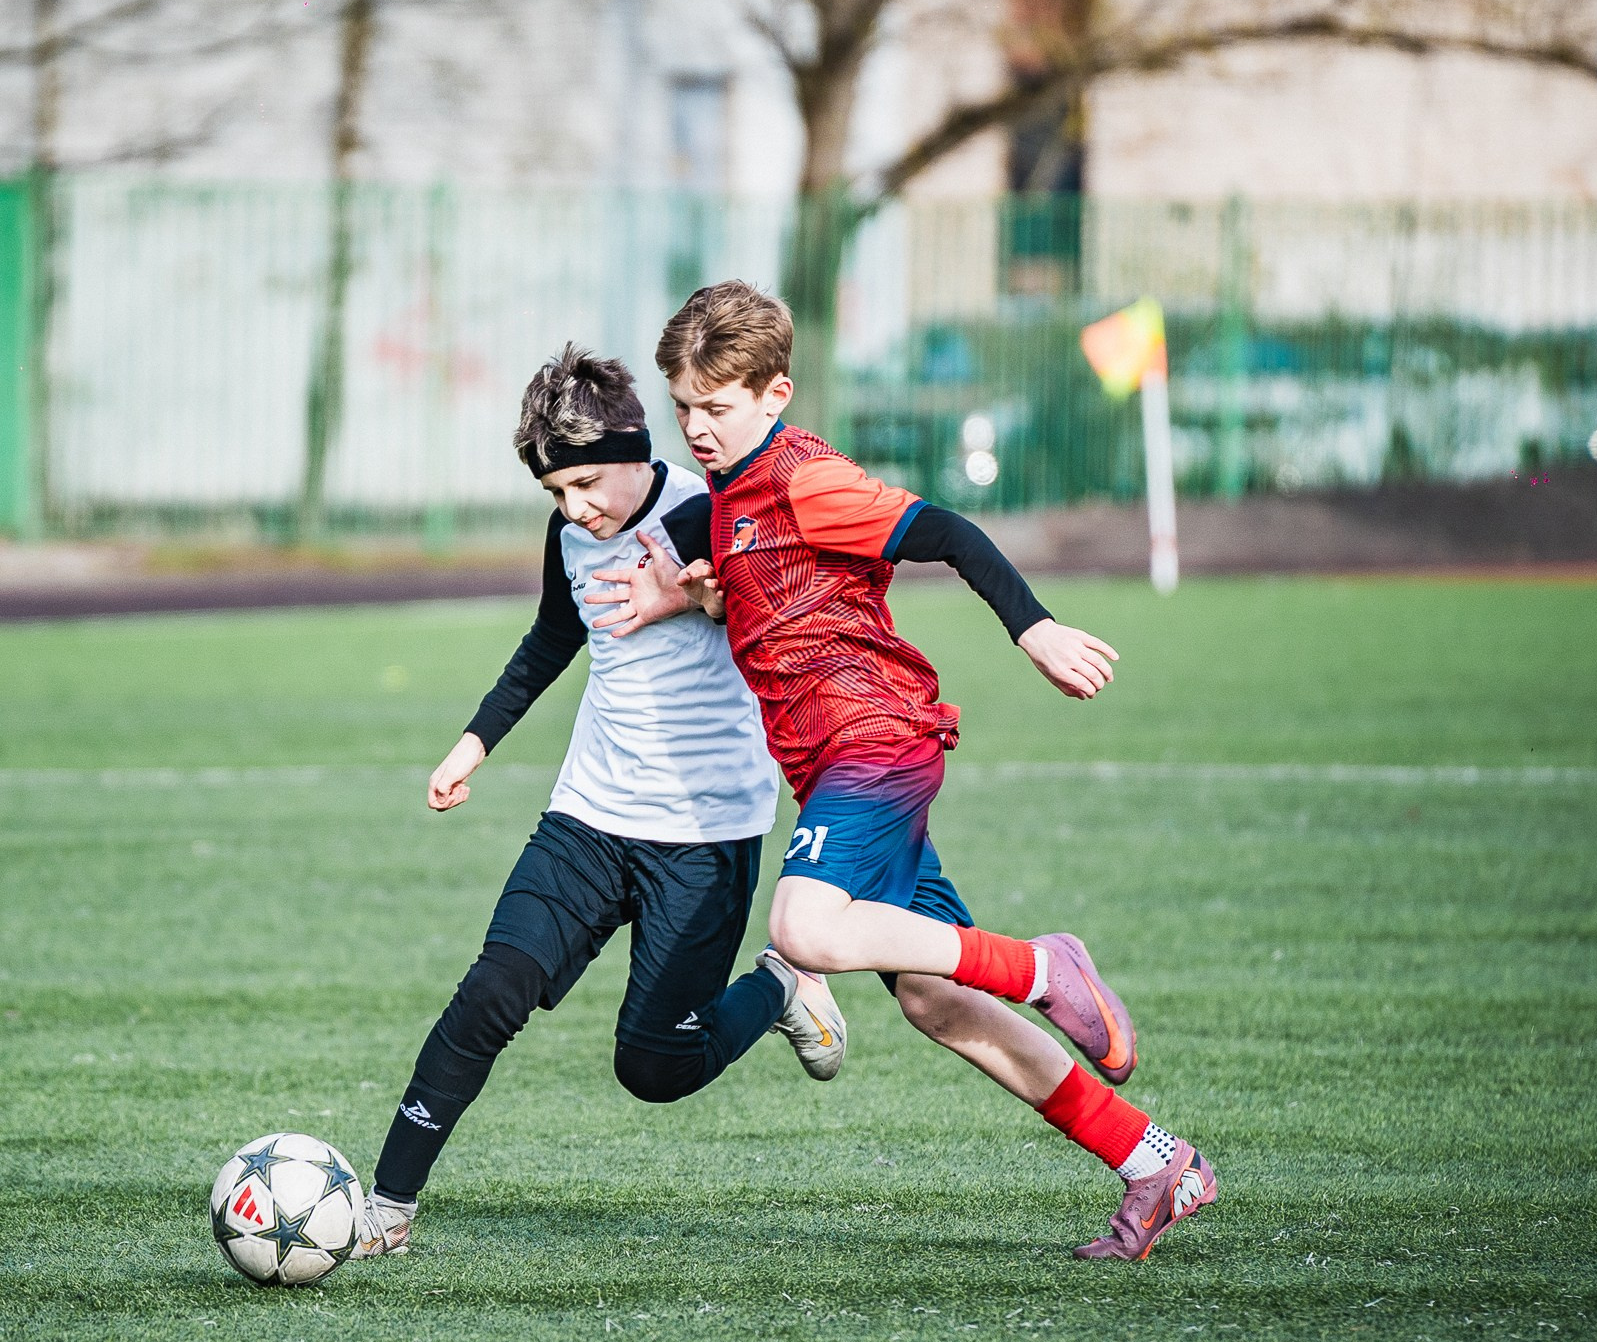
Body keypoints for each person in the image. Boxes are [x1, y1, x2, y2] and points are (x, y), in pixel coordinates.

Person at [611, 280, 1217, 1260]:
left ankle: (1045, 966)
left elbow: (949, 532)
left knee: (803, 928)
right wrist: (677, 594)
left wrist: (1035, 628)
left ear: (775, 394)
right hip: (834, 766)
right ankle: (1156, 1161)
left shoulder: (807, 480)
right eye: (683, 408)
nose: (697, 428)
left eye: (716, 407)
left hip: (876, 741)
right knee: (936, 999)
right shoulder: (727, 496)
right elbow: (742, 574)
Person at [350, 344, 847, 1259]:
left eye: (584, 483)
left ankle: (781, 983)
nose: (574, 508)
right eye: (554, 492)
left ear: (636, 449)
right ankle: (387, 1207)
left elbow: (790, 617)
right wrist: (472, 744)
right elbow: (553, 636)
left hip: (705, 835)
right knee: (489, 993)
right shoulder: (571, 535)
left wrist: (709, 604)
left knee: (654, 1067)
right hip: (588, 816)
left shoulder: (716, 515)